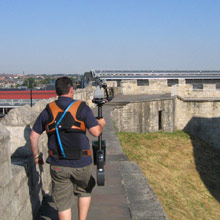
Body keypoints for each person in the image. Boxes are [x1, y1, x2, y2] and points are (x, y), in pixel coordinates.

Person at [30, 76, 106, 220]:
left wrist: (36, 156)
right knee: (84, 191)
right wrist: (101, 123)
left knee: (63, 202)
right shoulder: (82, 107)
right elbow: (96, 132)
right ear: (71, 89)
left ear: (57, 91)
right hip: (82, 162)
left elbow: (33, 136)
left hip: (58, 164)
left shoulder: (48, 110)